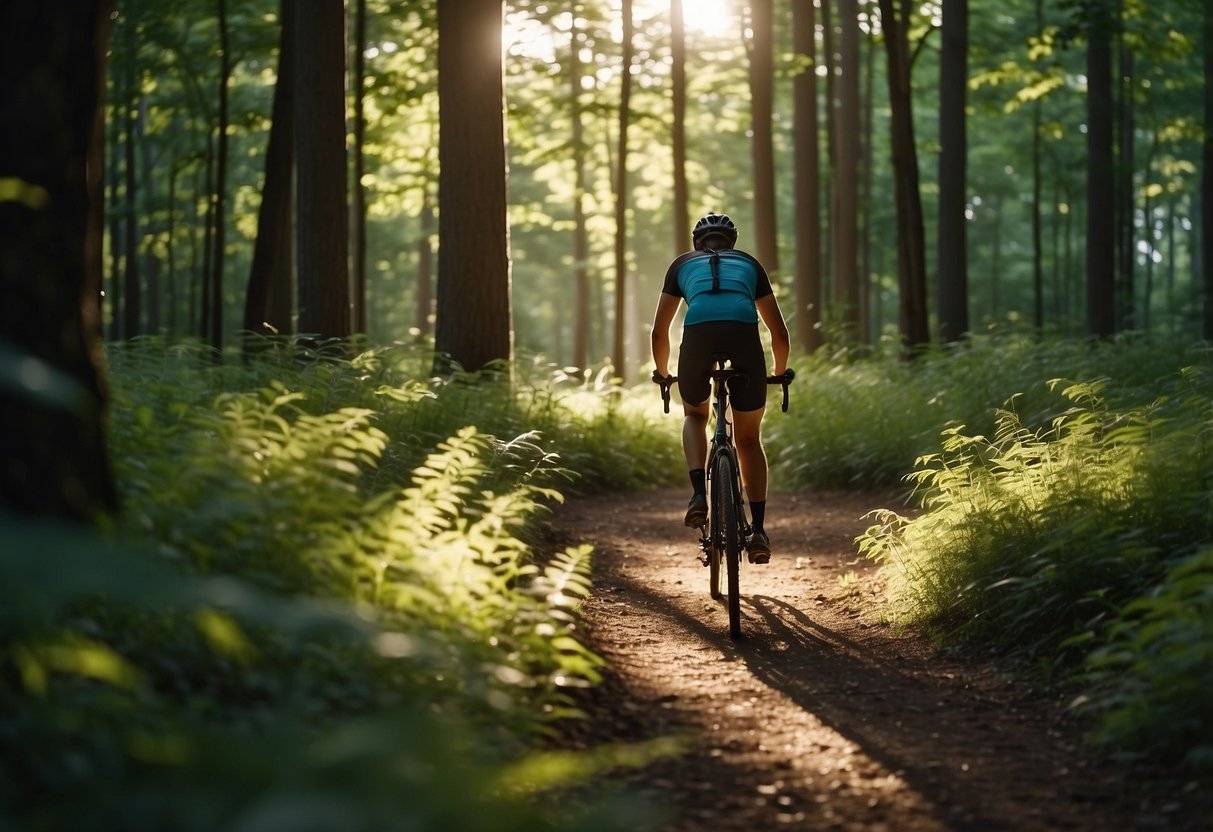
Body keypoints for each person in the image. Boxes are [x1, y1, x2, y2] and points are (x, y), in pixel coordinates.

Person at [650, 213, 791, 563]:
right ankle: (757, 531)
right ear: (732, 243)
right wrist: (779, 371)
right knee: (747, 438)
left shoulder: (681, 265)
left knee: (695, 414)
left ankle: (699, 494)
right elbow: (778, 332)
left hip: (698, 337)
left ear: (698, 243)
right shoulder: (749, 264)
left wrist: (663, 373)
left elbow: (659, 332)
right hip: (744, 337)